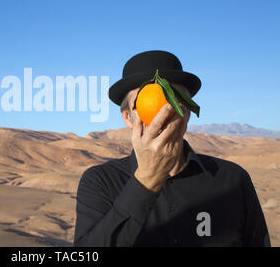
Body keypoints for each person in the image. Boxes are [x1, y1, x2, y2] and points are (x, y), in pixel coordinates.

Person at [73, 50, 270, 246]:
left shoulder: (233, 179)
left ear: (187, 111)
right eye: (148, 101)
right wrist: (146, 180)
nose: (162, 112)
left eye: (172, 98)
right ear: (127, 117)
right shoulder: (101, 183)